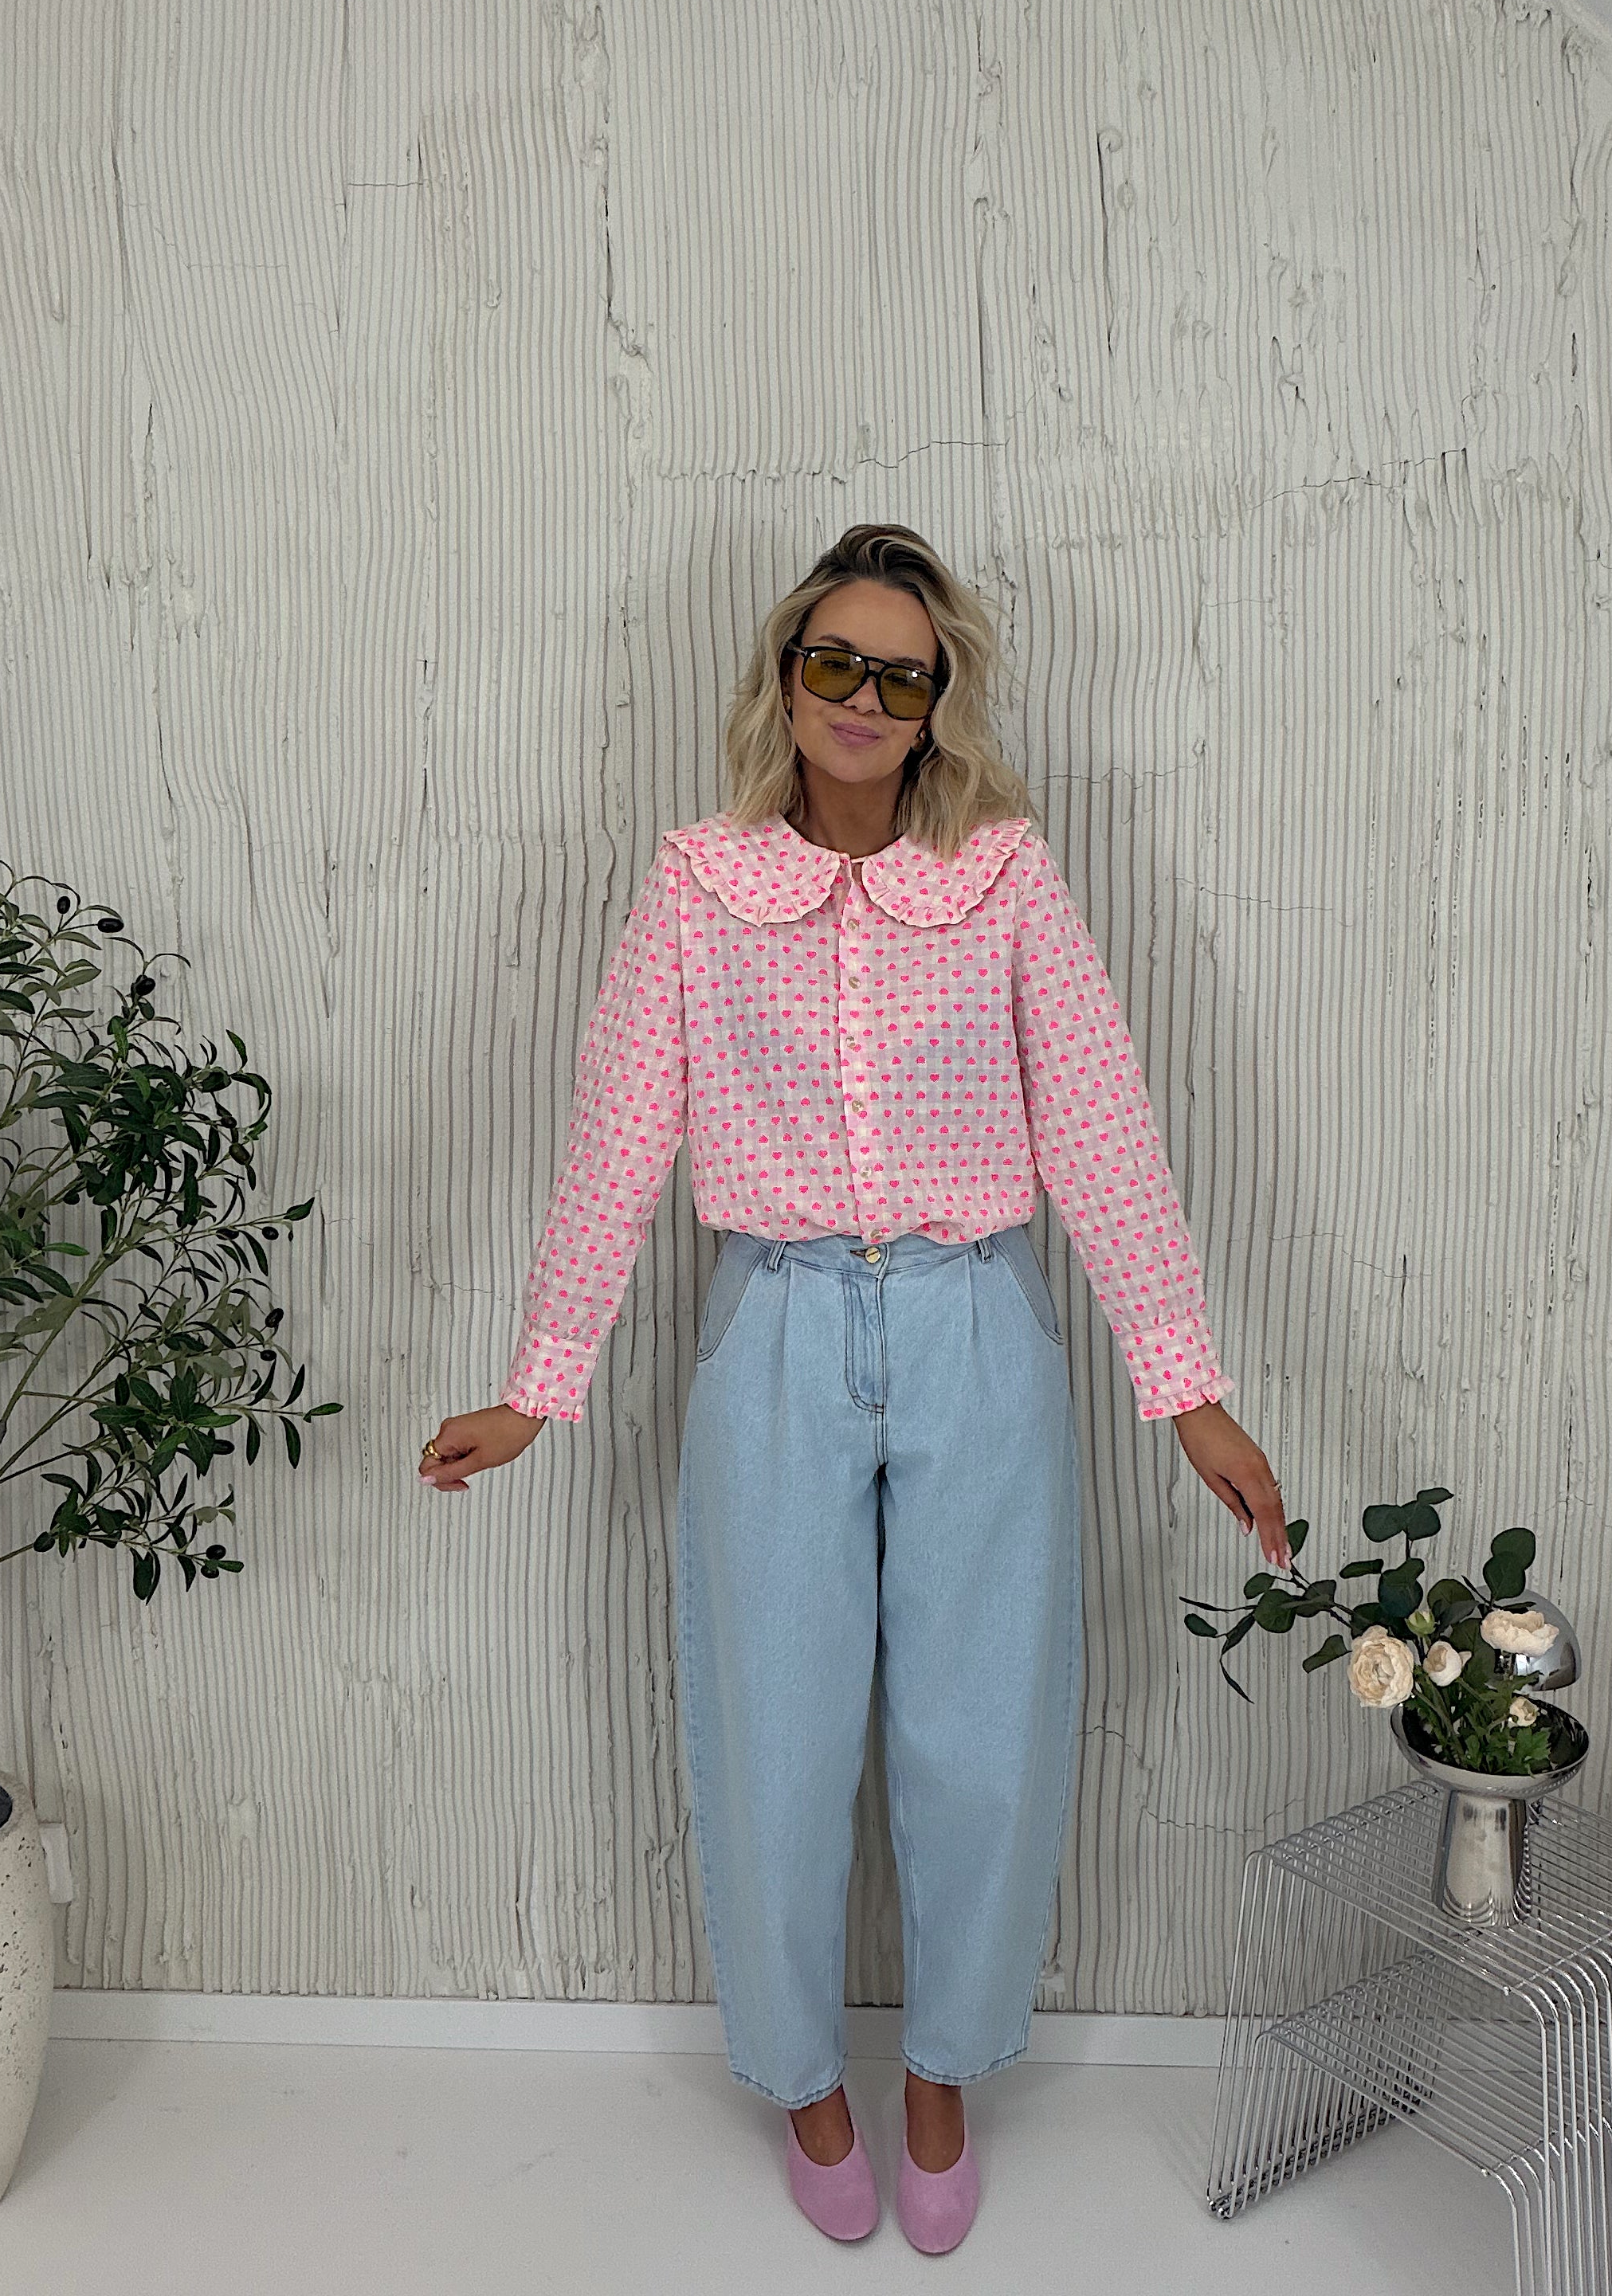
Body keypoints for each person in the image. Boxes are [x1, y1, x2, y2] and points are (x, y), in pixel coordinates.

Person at [416, 522, 1289, 2252]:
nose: (866, 698)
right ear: (787, 677)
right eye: (838, 662)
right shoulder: (696, 882)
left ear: (938, 700)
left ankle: (944, 2070)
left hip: (978, 1324)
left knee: (983, 1732)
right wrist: (541, 1380)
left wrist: (1186, 1384)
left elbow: (1101, 1123)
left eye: (903, 673)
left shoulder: (1006, 877)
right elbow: (620, 1131)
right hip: (777, 1328)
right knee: (778, 1731)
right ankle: (807, 2078)